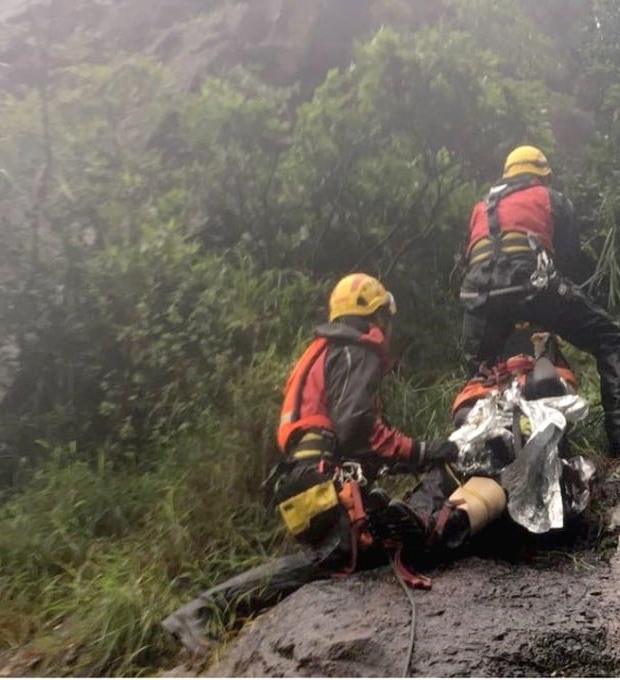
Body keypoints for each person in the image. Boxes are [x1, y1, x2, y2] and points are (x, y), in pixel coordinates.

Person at [161, 273, 504, 655]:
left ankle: (209, 611)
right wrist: (423, 451)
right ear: (374, 316)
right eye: (383, 318)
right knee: (334, 558)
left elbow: (352, 443)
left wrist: (411, 460)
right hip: (319, 478)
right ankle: (205, 610)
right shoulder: (359, 350)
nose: (385, 327)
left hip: (304, 476)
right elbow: (356, 426)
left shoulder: (328, 351)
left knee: (340, 553)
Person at [459, 145, 620, 457]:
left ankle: (488, 458)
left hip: (477, 299)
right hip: (534, 286)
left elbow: (477, 257)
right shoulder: (551, 198)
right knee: (617, 345)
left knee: (481, 377)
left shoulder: (481, 206)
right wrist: (558, 309)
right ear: (543, 176)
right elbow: (568, 261)